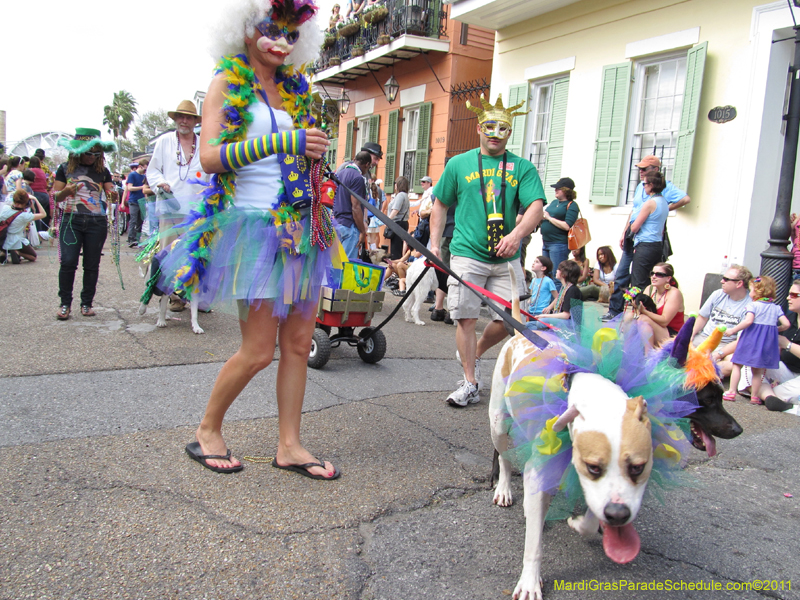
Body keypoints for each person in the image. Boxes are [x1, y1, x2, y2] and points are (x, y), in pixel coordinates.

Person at [156, 0, 339, 478]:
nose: (281, 42)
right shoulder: (225, 83)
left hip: (299, 227)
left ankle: (290, 445)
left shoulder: (294, 89)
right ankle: (207, 430)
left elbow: (297, 157)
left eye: (291, 35)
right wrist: (286, 141)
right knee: (259, 349)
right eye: (271, 29)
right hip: (253, 231)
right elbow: (211, 158)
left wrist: (312, 154)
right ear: (243, 29)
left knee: (299, 344)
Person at [430, 93, 545, 407]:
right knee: (465, 317)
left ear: (510, 132)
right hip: (467, 252)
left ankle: (476, 352)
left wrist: (517, 235)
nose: (495, 134)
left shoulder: (522, 167)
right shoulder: (459, 164)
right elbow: (440, 204)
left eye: (503, 128)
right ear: (479, 127)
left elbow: (536, 206)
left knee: (512, 319)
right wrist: (433, 243)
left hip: (505, 256)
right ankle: (469, 382)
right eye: (489, 126)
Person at [52, 127, 118, 320]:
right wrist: (65, 192)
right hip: (71, 220)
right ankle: (65, 304)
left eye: (97, 153)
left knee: (91, 265)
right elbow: (54, 197)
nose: (92, 157)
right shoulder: (64, 169)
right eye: (89, 152)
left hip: (96, 223)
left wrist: (113, 195)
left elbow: (111, 193)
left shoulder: (103, 171)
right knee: (68, 262)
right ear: (78, 151)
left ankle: (87, 303)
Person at [602, 170, 669, 321]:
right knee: (647, 280)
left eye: (645, 184)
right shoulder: (664, 202)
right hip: (657, 244)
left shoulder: (650, 203)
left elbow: (634, 227)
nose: (643, 187)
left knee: (638, 283)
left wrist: (632, 224)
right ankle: (648, 314)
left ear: (651, 185)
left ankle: (640, 316)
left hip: (645, 245)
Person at [723, 276, 790, 405]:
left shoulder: (753, 305)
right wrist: (775, 329)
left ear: (758, 291)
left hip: (750, 340)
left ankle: (731, 391)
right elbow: (786, 324)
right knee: (757, 371)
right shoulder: (776, 308)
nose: (750, 292)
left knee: (737, 364)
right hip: (765, 344)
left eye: (751, 289)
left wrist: (732, 330)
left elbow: (748, 321)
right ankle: (754, 396)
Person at [692, 264, 753, 377]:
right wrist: (691, 335)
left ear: (739, 283)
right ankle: (702, 372)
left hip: (726, 345)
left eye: (726, 279)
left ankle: (697, 373)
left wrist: (718, 354)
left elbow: (742, 340)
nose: (721, 281)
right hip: (704, 338)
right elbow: (702, 317)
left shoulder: (751, 304)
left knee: (733, 365)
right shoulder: (718, 294)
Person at [630, 262, 684, 348]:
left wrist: (643, 311)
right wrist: (636, 307)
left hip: (673, 335)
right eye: (652, 273)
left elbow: (664, 321)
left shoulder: (674, 293)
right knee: (629, 316)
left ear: (668, 278)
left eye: (659, 274)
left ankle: (649, 357)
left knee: (644, 319)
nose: (653, 276)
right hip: (655, 327)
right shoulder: (650, 289)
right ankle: (627, 351)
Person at [539, 176, 578, 291]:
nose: (555, 190)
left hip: (559, 244)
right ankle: (547, 305)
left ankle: (557, 306)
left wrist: (549, 218)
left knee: (558, 276)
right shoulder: (554, 202)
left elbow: (567, 226)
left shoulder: (572, 205)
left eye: (558, 188)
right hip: (546, 242)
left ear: (566, 190)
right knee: (546, 275)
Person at [334, 150, 371, 260]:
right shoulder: (357, 178)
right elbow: (355, 207)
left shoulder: (339, 174)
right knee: (346, 265)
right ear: (367, 164)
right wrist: (362, 231)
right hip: (350, 226)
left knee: (333, 265)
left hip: (336, 223)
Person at [0, 190, 46, 263]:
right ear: (26, 203)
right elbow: (43, 214)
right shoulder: (25, 216)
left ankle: (3, 252)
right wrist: (35, 199)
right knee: (33, 257)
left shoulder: (5, 208)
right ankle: (17, 252)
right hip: (16, 239)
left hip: (2, 238)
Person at [534, 259, 583, 327]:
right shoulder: (564, 288)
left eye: (559, 269)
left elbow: (566, 315)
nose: (556, 271)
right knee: (529, 325)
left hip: (571, 324)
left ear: (564, 274)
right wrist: (549, 308)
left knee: (542, 321)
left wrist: (545, 316)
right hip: (563, 321)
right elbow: (558, 298)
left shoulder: (572, 290)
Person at [124, 159, 148, 247]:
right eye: (145, 169)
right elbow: (129, 188)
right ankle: (131, 239)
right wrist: (141, 187)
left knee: (140, 221)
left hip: (142, 201)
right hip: (133, 201)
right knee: (133, 220)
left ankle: (137, 239)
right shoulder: (132, 175)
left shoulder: (144, 176)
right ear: (140, 166)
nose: (145, 171)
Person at [387, 176, 410, 260]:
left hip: (397, 223)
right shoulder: (405, 195)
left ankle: (395, 269)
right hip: (403, 223)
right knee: (399, 247)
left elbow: (395, 210)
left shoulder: (400, 195)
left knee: (395, 249)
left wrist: (387, 220)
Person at [26, 156, 51, 228]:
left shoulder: (30, 171)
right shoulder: (42, 171)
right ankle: (43, 233)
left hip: (35, 194)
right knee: (43, 215)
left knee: (35, 215)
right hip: (45, 195)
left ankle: (38, 234)